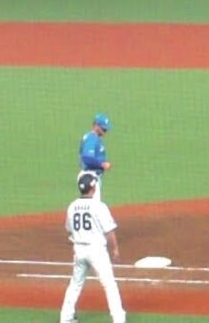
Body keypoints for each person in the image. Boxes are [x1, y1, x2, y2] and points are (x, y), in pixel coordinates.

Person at [60, 172, 126, 323]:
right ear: (93, 187)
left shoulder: (72, 207)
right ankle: (119, 319)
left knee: (75, 283)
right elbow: (109, 231)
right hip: (96, 251)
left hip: (79, 250)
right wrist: (115, 249)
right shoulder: (99, 206)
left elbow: (69, 230)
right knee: (109, 284)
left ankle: (66, 318)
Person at [78, 113, 112, 201]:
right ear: (96, 125)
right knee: (93, 207)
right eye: (103, 129)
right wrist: (102, 164)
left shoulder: (94, 138)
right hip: (89, 177)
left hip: (91, 176)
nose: (105, 131)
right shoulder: (91, 138)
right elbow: (87, 158)